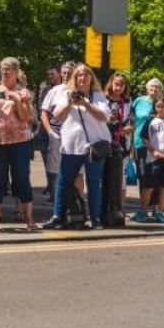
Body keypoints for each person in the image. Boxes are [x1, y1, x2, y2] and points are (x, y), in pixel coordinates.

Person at [43, 64, 110, 230]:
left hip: (94, 145)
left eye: (86, 75)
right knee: (63, 181)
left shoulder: (97, 96)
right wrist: (68, 103)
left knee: (94, 183)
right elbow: (56, 117)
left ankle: (95, 219)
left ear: (91, 78)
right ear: (75, 79)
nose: (82, 78)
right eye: (79, 75)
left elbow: (104, 117)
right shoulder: (66, 95)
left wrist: (85, 104)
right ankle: (57, 216)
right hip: (71, 145)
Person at [0, 58, 37, 232]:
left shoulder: (23, 92)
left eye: (8, 70)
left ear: (15, 72)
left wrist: (17, 101)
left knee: (21, 180)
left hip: (20, 143)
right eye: (3, 70)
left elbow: (27, 118)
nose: (5, 73)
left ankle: (29, 220)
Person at [135, 96, 164, 223]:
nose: (160, 109)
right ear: (155, 107)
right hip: (153, 159)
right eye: (158, 106)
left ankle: (160, 211)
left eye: (163, 106)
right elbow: (144, 139)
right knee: (148, 186)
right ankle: (143, 211)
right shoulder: (150, 121)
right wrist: (153, 151)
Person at [39, 61, 77, 199]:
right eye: (64, 72)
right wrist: (50, 132)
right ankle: (57, 204)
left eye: (69, 72)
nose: (66, 75)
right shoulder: (54, 91)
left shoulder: (81, 90)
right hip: (56, 133)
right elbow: (44, 112)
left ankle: (72, 203)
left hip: (74, 136)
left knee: (75, 172)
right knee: (54, 170)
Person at [102, 73, 132, 224]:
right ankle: (103, 211)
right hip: (104, 144)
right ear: (111, 84)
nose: (118, 87)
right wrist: (109, 120)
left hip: (121, 145)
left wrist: (129, 128)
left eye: (122, 84)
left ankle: (119, 210)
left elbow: (131, 121)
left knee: (121, 180)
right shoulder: (103, 99)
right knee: (103, 180)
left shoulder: (127, 102)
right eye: (116, 84)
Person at [130, 78, 162, 199]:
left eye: (157, 87)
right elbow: (132, 120)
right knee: (143, 173)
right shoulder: (138, 101)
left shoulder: (162, 103)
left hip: (158, 144)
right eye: (152, 86)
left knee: (156, 173)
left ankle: (155, 205)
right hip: (140, 142)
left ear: (160, 90)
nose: (154, 89)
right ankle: (144, 205)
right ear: (147, 88)